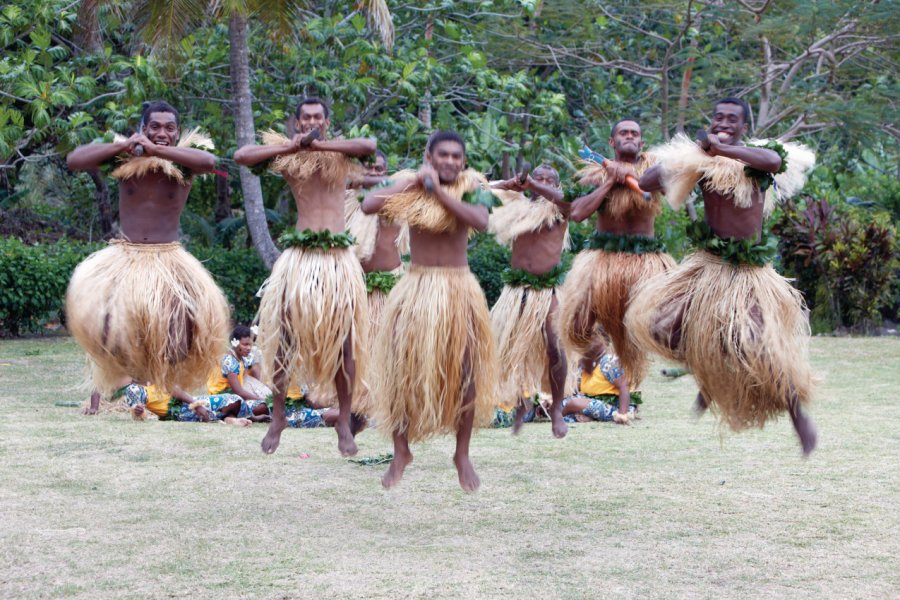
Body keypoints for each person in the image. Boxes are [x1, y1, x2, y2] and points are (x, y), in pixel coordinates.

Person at [627, 96, 818, 454]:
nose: (724, 123)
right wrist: (693, 155)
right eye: (719, 117)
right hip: (708, 269)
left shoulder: (757, 158)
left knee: (761, 345)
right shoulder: (701, 160)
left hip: (749, 274)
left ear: (744, 126)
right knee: (661, 328)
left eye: (732, 119)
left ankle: (798, 416)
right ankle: (706, 372)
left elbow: (775, 161)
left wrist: (726, 150)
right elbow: (647, 182)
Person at [234, 97, 376, 457]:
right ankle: (278, 416)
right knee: (283, 338)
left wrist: (319, 143)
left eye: (318, 118)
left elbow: (368, 147)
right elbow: (243, 156)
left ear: (327, 122)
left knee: (346, 343)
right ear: (296, 123)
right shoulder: (289, 158)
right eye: (305, 118)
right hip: (299, 262)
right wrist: (293, 145)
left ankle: (344, 419)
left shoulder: (341, 156)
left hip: (338, 262)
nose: (311, 122)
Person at [362, 131, 498, 491]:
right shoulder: (409, 183)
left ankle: (462, 453)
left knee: (468, 371)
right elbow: (368, 205)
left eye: (457, 156)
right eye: (444, 156)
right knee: (402, 370)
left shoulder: (473, 186)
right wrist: (413, 182)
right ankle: (401, 450)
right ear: (430, 157)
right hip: (417, 287)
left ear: (464, 161)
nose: (451, 162)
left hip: (459, 288)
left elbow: (481, 222)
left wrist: (437, 192)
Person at [65, 101, 230, 397]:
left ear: (178, 132)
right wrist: (126, 146)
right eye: (154, 127)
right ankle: (123, 384)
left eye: (169, 128)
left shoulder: (183, 163)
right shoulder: (122, 160)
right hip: (125, 257)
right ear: (142, 129)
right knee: (110, 331)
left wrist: (158, 151)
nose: (161, 133)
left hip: (168, 259)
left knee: (179, 335)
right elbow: (75, 160)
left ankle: (162, 387)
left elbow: (209, 162)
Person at [558, 120, 674, 410]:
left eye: (635, 133)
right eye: (624, 133)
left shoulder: (655, 169)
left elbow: (669, 185)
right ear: (612, 142)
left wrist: (633, 175)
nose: (630, 137)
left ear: (642, 142)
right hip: (601, 262)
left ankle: (630, 375)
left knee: (661, 324)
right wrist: (611, 179)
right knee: (578, 326)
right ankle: (593, 377)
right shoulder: (599, 173)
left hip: (645, 262)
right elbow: (578, 214)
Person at [488, 164, 571, 438]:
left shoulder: (560, 209)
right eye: (539, 178)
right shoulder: (517, 206)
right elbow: (479, 190)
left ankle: (557, 408)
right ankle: (521, 402)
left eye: (550, 179)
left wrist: (534, 184)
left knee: (555, 344)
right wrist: (511, 183)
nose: (542, 182)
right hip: (516, 291)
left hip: (549, 292)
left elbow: (570, 202)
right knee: (512, 350)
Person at [344, 149, 409, 357]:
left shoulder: (399, 198)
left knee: (391, 351)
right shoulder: (347, 200)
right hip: (356, 289)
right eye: (368, 167)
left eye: (378, 168)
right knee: (354, 353)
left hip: (391, 288)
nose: (373, 172)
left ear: (386, 172)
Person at [560, 338, 638, 424]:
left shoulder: (608, 361)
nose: (586, 344)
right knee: (559, 403)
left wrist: (622, 415)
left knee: (573, 403)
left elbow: (624, 386)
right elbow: (576, 390)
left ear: (602, 341)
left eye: (591, 339)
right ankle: (578, 416)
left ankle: (560, 417)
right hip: (591, 400)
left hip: (616, 406)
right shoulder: (586, 361)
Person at [207, 325, 269, 416]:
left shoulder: (242, 359)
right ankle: (228, 414)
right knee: (262, 406)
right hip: (222, 399)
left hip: (234, 398)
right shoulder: (229, 360)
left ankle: (233, 415)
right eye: (245, 344)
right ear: (234, 343)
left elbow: (254, 369)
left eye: (250, 344)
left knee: (264, 406)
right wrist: (261, 399)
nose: (249, 348)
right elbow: (239, 391)